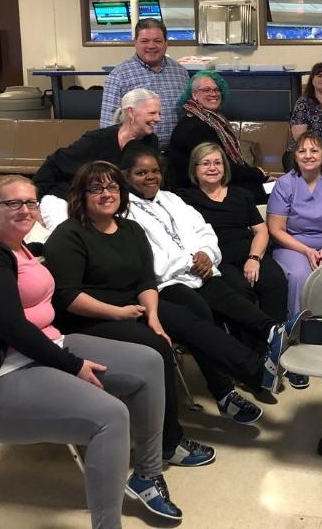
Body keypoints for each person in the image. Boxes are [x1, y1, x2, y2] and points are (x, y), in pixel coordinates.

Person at [0, 176, 183, 525]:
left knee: (148, 360)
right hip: (1, 373)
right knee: (111, 416)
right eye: (13, 203)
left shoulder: (23, 247)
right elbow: (13, 329)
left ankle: (147, 475)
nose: (25, 210)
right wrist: (73, 365)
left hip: (46, 346)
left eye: (31, 202)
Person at [43, 161, 221, 469]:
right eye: (96, 188)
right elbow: (68, 297)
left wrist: (153, 315)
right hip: (86, 321)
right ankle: (168, 442)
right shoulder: (68, 235)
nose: (106, 194)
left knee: (181, 318)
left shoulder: (130, 229)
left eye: (112, 187)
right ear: (81, 195)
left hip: (128, 308)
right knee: (157, 346)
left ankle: (245, 375)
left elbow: (145, 280)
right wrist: (118, 313)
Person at [120, 146, 299, 423]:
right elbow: (147, 258)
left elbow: (203, 230)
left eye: (155, 171)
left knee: (223, 293)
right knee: (201, 310)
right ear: (127, 176)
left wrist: (206, 254)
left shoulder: (171, 199)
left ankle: (272, 331)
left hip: (199, 271)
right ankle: (231, 386)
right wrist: (190, 261)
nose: (150, 177)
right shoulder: (125, 211)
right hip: (166, 282)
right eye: (141, 173)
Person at [180, 142, 288, 326]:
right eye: (205, 163)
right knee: (239, 291)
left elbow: (261, 230)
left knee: (275, 281)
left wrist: (254, 258)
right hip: (217, 258)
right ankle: (251, 341)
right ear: (195, 169)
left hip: (249, 252)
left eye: (218, 163)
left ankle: (276, 335)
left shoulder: (241, 194)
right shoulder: (184, 199)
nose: (213, 168)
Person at [34, 88, 160, 232]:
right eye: (152, 113)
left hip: (111, 203)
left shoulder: (150, 142)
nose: (158, 119)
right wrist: (35, 200)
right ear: (130, 112)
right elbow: (54, 164)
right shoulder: (97, 140)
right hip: (67, 199)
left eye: (159, 113)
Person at [268, 131, 322, 317]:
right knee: (300, 275)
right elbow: (275, 229)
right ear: (295, 156)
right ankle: (298, 326)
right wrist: (306, 251)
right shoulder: (284, 184)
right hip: (293, 246)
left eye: (314, 151)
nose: (308, 156)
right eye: (302, 151)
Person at [168, 70, 268, 202]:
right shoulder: (196, 128)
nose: (213, 94)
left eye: (217, 90)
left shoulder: (212, 120)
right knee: (272, 191)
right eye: (206, 90)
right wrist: (257, 173)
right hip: (199, 191)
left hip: (217, 182)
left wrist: (258, 175)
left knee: (273, 187)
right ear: (194, 95)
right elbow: (219, 167)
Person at [99, 18, 189, 145]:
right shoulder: (119, 76)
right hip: (137, 152)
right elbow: (108, 125)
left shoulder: (180, 73)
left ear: (166, 43)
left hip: (176, 151)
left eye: (157, 41)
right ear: (135, 42)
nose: (151, 46)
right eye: (145, 41)